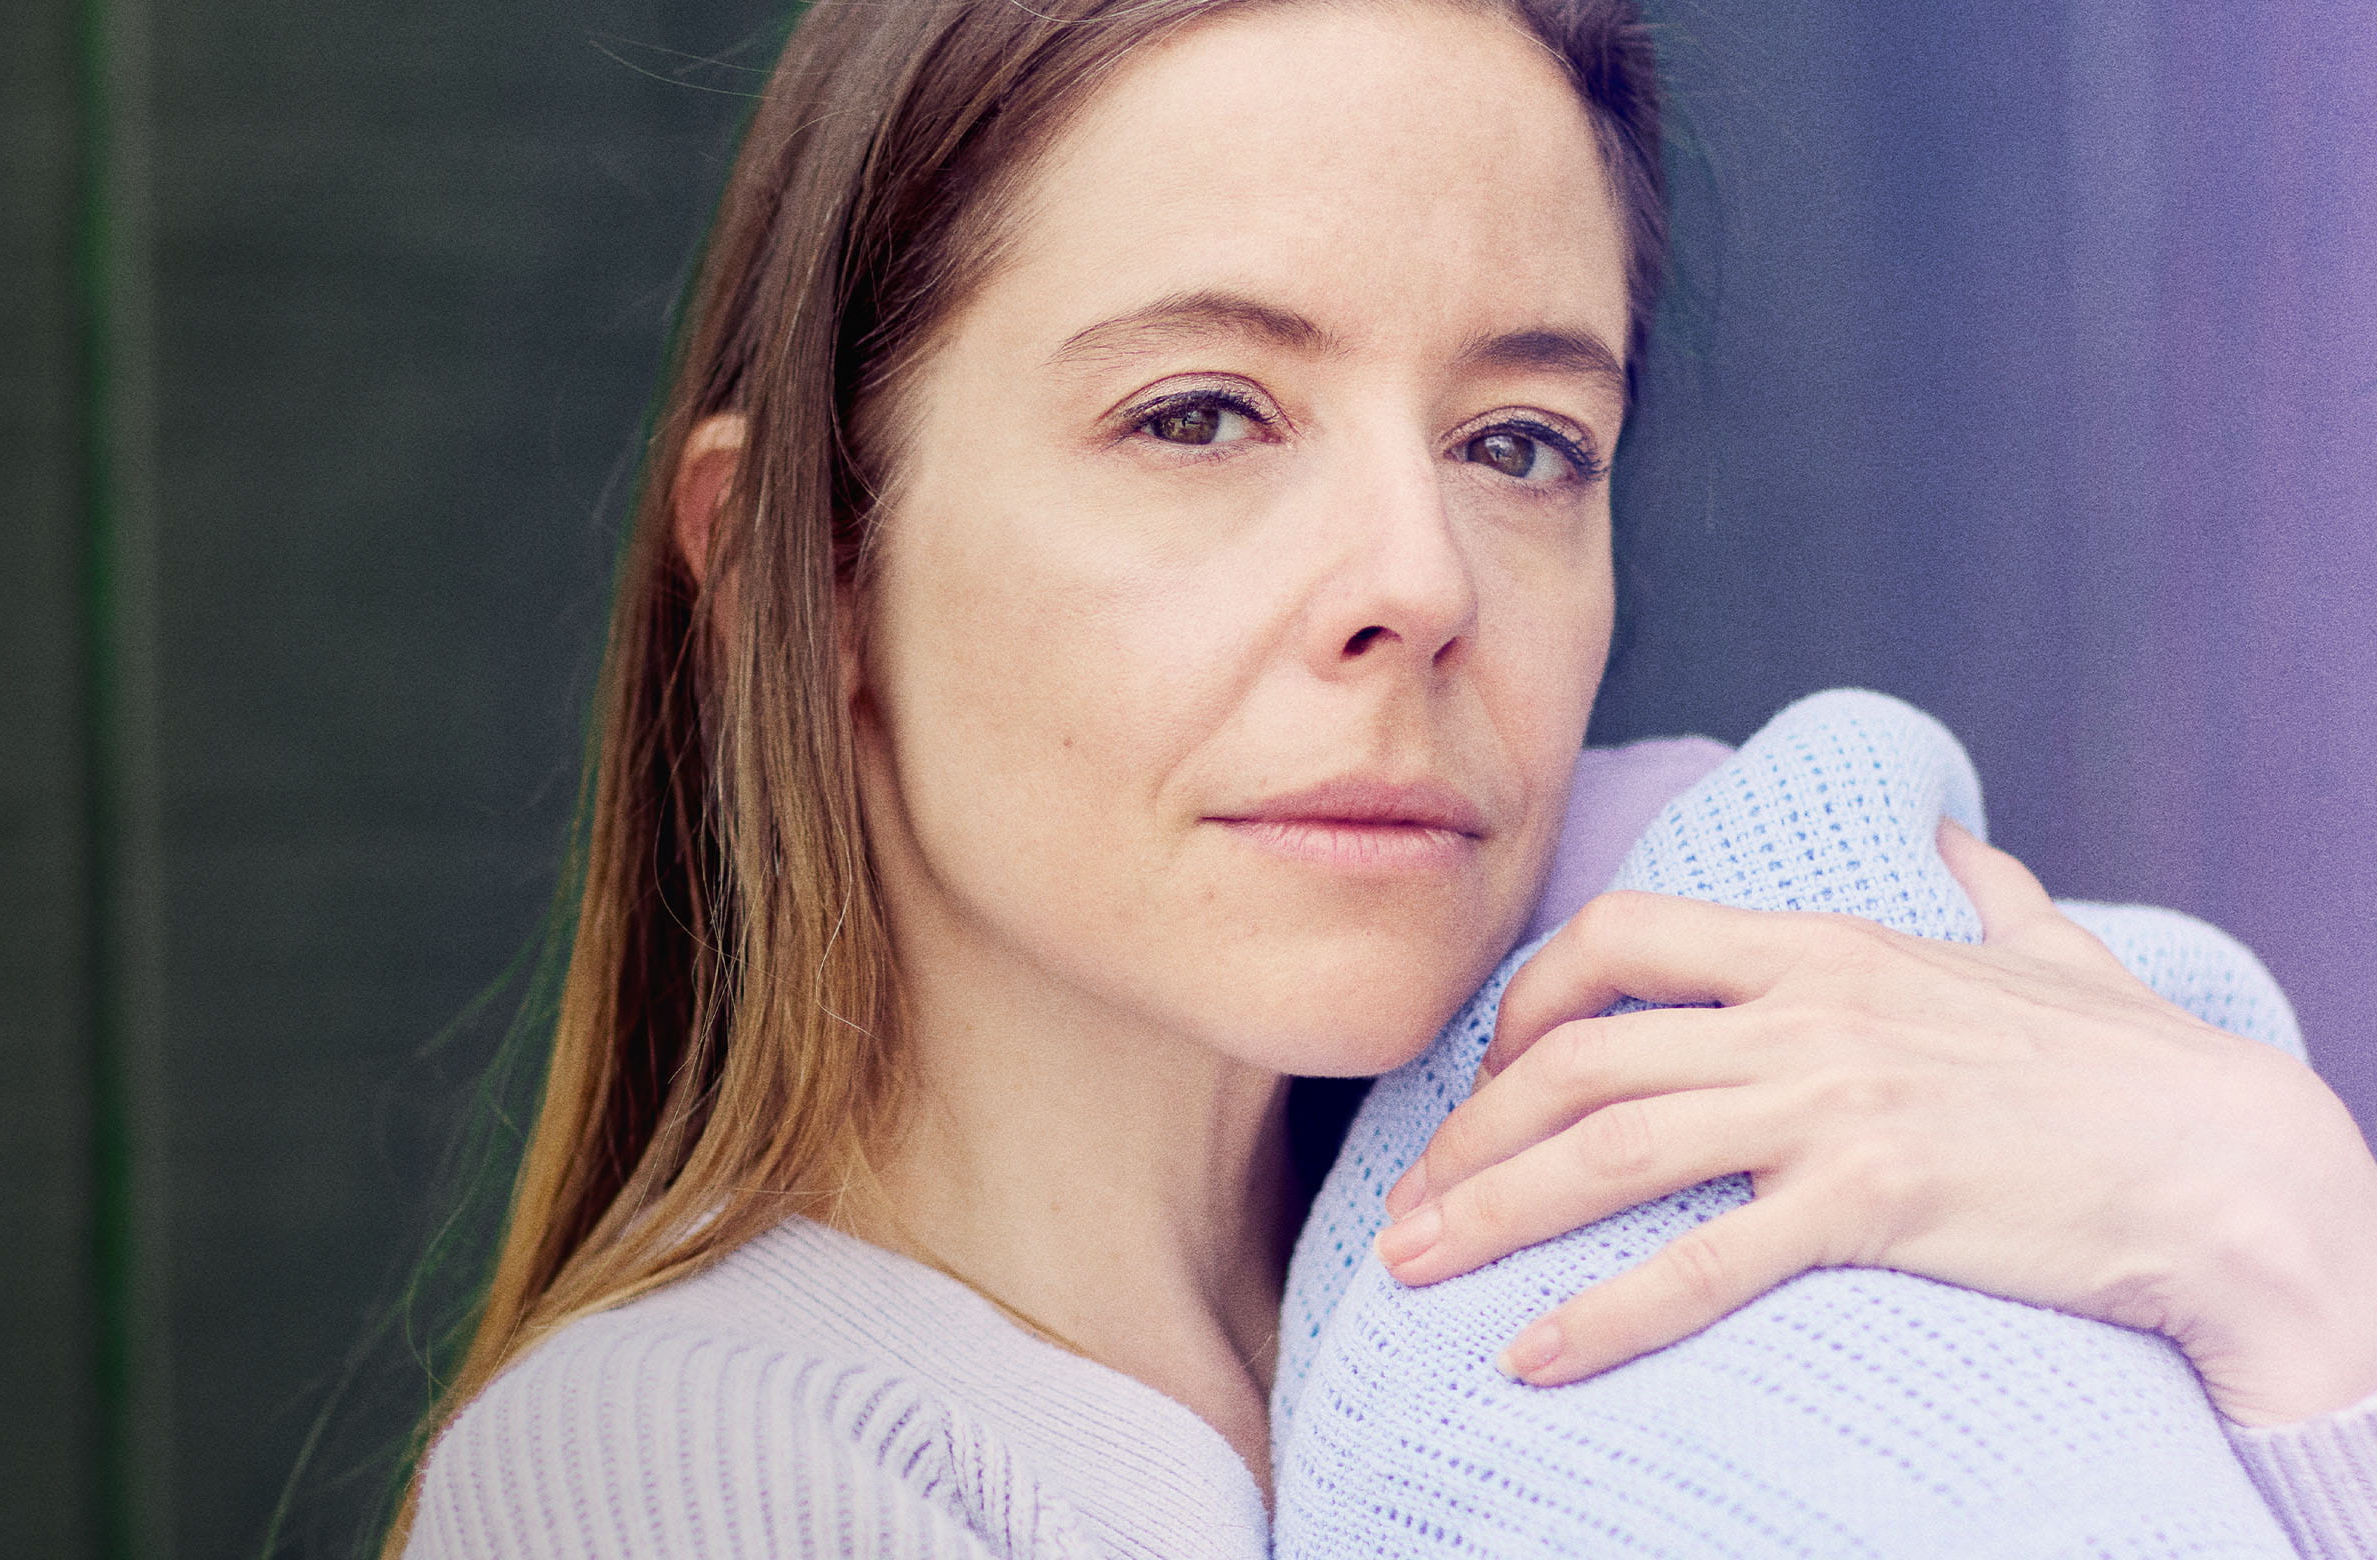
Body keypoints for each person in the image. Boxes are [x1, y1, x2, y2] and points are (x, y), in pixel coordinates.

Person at [393, 1, 2377, 1553]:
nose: (1420, 585)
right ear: (797, 573)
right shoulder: (680, 1471)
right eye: (1200, 414)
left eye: (1519, 442)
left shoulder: (1751, 1139)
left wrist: (2297, 1255)